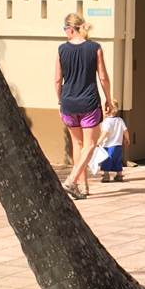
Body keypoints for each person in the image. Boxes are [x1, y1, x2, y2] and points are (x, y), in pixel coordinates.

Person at [55, 13, 111, 200]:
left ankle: (83, 186)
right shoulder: (95, 48)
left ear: (70, 29)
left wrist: (60, 101)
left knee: (78, 144)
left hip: (69, 103)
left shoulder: (62, 50)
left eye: (65, 29)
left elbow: (57, 80)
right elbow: (102, 77)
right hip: (89, 102)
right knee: (91, 144)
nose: (65, 33)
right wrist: (108, 99)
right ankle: (72, 180)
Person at [97, 99, 130, 183]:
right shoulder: (120, 120)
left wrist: (98, 141)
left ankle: (106, 175)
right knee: (118, 160)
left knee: (106, 160)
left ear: (107, 109)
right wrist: (127, 139)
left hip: (108, 146)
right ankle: (119, 175)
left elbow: (105, 132)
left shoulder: (106, 122)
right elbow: (125, 130)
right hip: (118, 145)